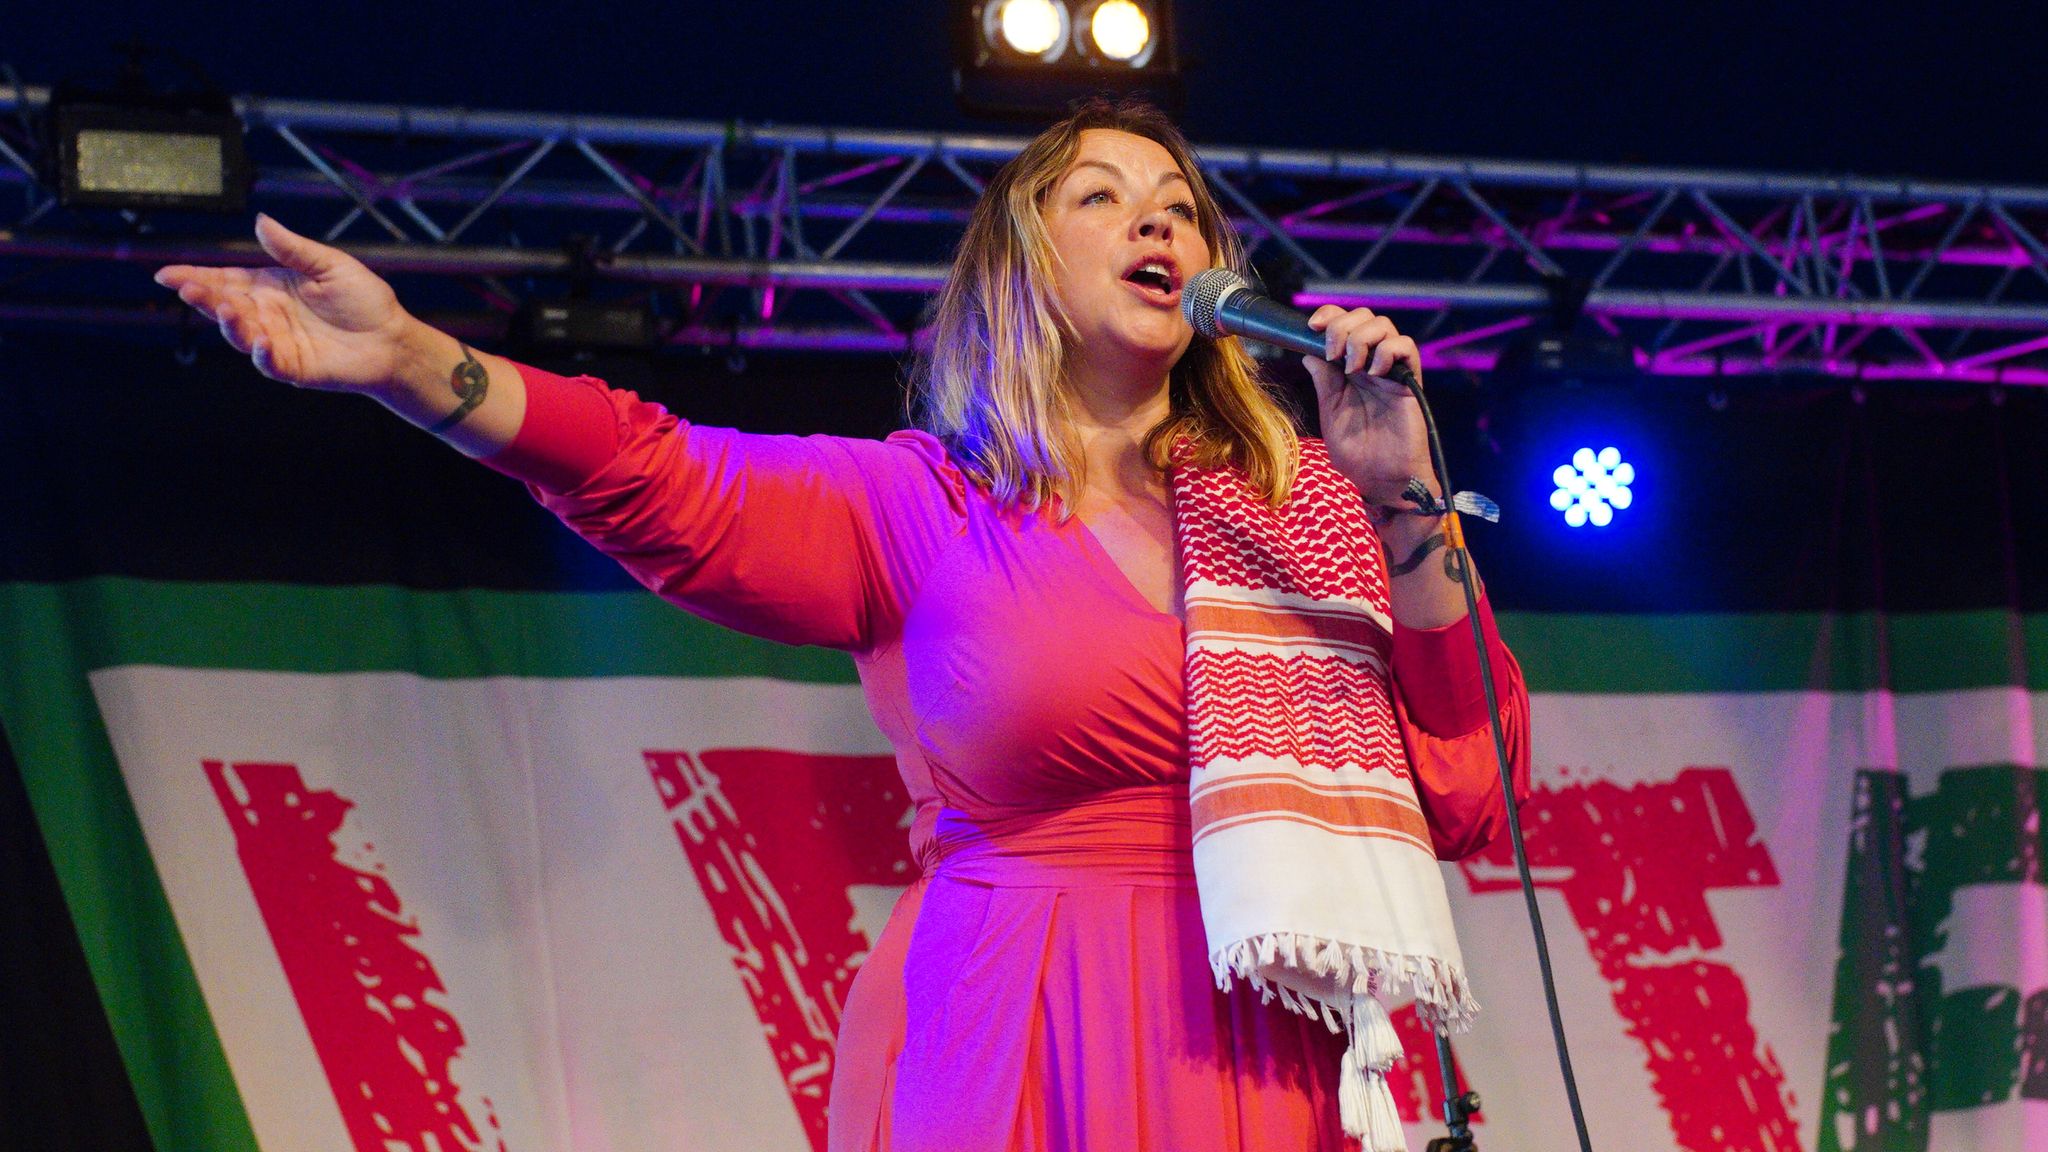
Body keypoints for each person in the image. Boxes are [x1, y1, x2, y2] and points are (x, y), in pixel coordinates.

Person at [158, 99, 1529, 1152]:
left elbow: (1469, 791)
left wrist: (1406, 501)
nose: (1157, 224)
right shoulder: (923, 509)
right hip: (1022, 1031)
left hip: (1264, 1050)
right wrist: (413, 367)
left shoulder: (1304, 515)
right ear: (1024, 268)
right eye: (1102, 198)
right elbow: (656, 470)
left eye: (1180, 207)